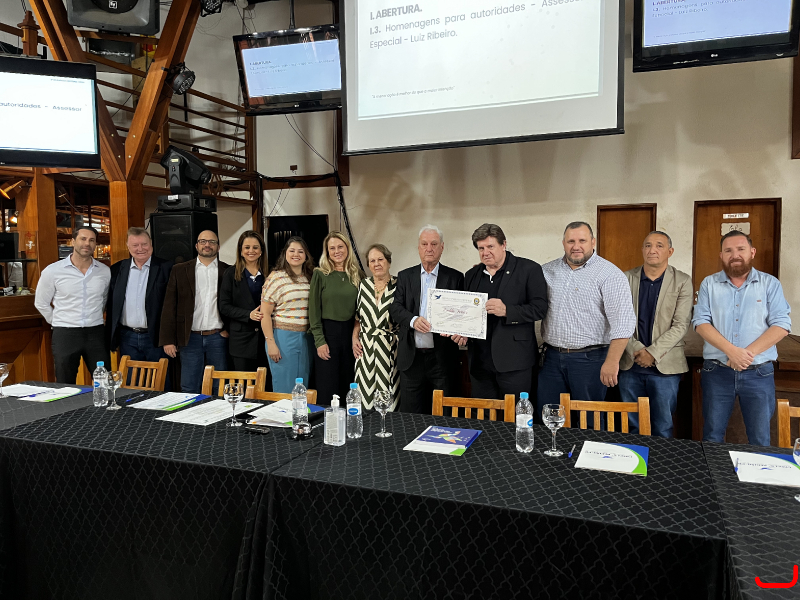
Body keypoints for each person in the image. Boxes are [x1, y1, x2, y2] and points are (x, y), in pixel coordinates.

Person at [693, 230, 791, 446]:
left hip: (759, 372)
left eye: (740, 249)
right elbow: (700, 322)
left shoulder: (770, 283)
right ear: (721, 255)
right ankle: (715, 470)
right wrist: (732, 352)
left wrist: (745, 355)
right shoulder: (709, 284)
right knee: (712, 437)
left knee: (760, 439)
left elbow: (782, 325)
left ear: (752, 252)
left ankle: (757, 472)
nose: (734, 255)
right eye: (728, 250)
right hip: (717, 372)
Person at [538, 221, 636, 420]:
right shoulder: (546, 271)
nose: (576, 246)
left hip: (591, 360)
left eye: (582, 241)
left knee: (589, 421)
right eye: (571, 241)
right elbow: (520, 286)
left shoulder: (610, 274)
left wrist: (612, 362)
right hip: (552, 359)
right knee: (550, 418)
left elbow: (623, 323)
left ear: (593, 242)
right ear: (563, 243)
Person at [619, 231, 692, 438]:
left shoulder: (682, 281)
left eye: (659, 245)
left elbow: (681, 325)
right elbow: (617, 320)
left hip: (665, 367)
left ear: (670, 251)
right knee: (632, 427)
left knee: (663, 427)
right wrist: (636, 349)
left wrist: (652, 353)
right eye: (648, 245)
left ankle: (661, 461)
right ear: (642, 250)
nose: (653, 250)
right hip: (630, 364)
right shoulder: (626, 278)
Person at [464, 224, 548, 401]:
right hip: (480, 363)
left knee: (516, 413)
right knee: (484, 414)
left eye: (490, 246)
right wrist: (462, 331)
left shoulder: (529, 269)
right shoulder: (471, 274)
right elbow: (467, 312)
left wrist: (507, 311)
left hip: (515, 362)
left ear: (504, 244)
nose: (485, 253)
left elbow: (540, 308)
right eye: (481, 248)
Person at [390, 225, 465, 414]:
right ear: (418, 247)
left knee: (443, 414)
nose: (429, 248)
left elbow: (462, 313)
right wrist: (413, 320)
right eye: (424, 244)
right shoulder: (405, 276)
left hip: (442, 359)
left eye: (434, 244)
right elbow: (395, 308)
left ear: (442, 247)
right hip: (412, 358)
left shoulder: (455, 277)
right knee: (411, 416)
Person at [34, 226, 111, 383]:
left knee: (104, 381)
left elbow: (103, 299)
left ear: (95, 244)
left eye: (91, 240)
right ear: (73, 241)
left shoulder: (104, 271)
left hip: (96, 333)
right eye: (83, 239)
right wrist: (57, 321)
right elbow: (41, 302)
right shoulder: (53, 271)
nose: (87, 243)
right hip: (65, 334)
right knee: (65, 383)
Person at [159, 230, 231, 394]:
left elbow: (233, 304)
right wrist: (168, 340)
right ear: (196, 245)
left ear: (218, 247)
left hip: (218, 338)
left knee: (219, 386)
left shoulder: (228, 271)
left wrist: (229, 330)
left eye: (212, 242)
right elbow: (169, 306)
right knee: (189, 386)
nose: (207, 245)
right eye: (203, 241)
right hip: (190, 338)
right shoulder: (179, 270)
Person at [106, 227, 173, 387]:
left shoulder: (167, 268)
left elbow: (173, 306)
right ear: (128, 247)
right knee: (131, 384)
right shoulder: (117, 269)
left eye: (144, 244)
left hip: (156, 338)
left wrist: (169, 338)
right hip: (127, 337)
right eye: (135, 245)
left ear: (151, 244)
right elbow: (110, 304)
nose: (140, 249)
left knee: (160, 383)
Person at [309, 232, 362, 405]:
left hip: (350, 336)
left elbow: (361, 310)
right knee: (327, 387)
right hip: (327, 334)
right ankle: (326, 421)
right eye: (332, 248)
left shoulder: (357, 275)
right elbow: (314, 310)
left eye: (340, 247)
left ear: (347, 248)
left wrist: (356, 335)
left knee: (348, 385)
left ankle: (348, 421)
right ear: (327, 252)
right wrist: (319, 341)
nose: (337, 251)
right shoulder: (320, 274)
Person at [261, 236, 314, 393]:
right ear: (285, 253)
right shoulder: (276, 277)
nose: (296, 254)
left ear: (306, 255)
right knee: (284, 386)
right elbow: (265, 314)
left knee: (302, 387)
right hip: (282, 338)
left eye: (300, 251)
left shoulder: (311, 277)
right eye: (292, 251)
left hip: (307, 338)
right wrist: (271, 343)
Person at [353, 244, 400, 411]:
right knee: (364, 395)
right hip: (365, 347)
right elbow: (358, 318)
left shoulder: (399, 285)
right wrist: (354, 337)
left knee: (387, 394)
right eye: (372, 261)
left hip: (389, 347)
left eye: (380, 259)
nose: (376, 264)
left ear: (388, 261)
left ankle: (388, 424)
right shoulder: (363, 285)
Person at [219, 231, 269, 373]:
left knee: (265, 382)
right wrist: (248, 315)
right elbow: (224, 306)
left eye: (255, 247)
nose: (251, 251)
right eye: (247, 247)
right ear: (241, 251)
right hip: (241, 341)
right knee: (244, 383)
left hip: (266, 339)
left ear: (261, 251)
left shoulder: (271, 273)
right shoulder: (230, 273)